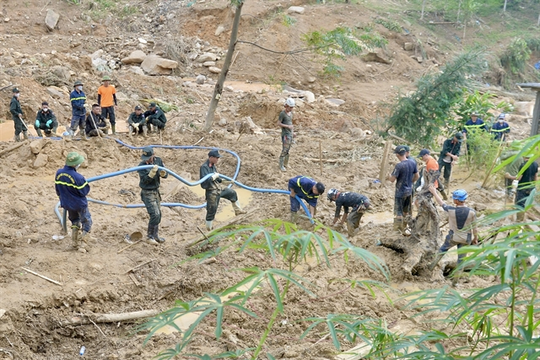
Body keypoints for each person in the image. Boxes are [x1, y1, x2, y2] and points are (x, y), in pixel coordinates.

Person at [428, 186, 478, 270]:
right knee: (461, 260)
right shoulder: (472, 212)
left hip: (453, 237)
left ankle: (430, 267)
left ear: (456, 201)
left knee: (442, 251)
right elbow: (475, 228)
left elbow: (441, 203)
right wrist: (475, 238)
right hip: (466, 239)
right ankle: (455, 282)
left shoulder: (451, 210)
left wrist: (434, 192)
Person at [200, 150, 247, 231]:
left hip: (218, 188)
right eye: (216, 158)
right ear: (211, 157)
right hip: (212, 192)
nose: (217, 160)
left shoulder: (213, 166)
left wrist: (226, 181)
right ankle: (209, 228)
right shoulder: (204, 167)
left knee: (232, 193)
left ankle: (238, 210)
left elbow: (218, 179)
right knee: (212, 210)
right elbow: (203, 183)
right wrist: (212, 178)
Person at [55, 152, 92, 253]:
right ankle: (83, 244)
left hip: (67, 204)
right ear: (76, 164)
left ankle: (74, 243)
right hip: (79, 204)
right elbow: (84, 191)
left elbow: (57, 190)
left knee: (75, 221)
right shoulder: (78, 177)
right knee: (86, 222)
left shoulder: (59, 173)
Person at [137, 147, 168, 245]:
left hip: (156, 191)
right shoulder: (141, 166)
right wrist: (151, 174)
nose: (147, 159)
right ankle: (149, 236)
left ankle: (155, 235)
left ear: (153, 155)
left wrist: (163, 174)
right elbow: (144, 180)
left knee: (159, 214)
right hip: (147, 192)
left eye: (149, 157)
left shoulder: (158, 161)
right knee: (154, 214)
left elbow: (166, 174)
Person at [387, 145, 419, 232]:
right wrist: (410, 182)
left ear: (397, 155)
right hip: (409, 191)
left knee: (399, 212)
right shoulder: (412, 163)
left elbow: (392, 180)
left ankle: (398, 231)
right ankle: (406, 228)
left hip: (400, 192)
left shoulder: (399, 166)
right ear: (405, 153)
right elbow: (417, 176)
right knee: (406, 211)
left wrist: (388, 176)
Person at [506, 154, 539, 221]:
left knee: (520, 205)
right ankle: (526, 218)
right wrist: (534, 186)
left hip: (522, 188)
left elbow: (519, 178)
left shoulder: (523, 165)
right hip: (531, 187)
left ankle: (519, 221)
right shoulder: (535, 164)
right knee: (527, 203)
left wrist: (509, 176)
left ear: (524, 156)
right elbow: (536, 177)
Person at [277, 98, 295, 172]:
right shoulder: (282, 114)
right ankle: (281, 165)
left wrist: (293, 132)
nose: (291, 109)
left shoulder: (291, 114)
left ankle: (286, 163)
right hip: (285, 134)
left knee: (288, 149)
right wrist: (287, 126)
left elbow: (291, 124)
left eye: (292, 107)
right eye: (290, 107)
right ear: (286, 106)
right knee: (285, 149)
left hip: (290, 134)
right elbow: (278, 123)